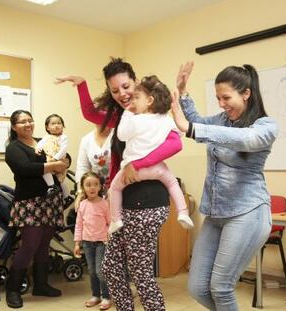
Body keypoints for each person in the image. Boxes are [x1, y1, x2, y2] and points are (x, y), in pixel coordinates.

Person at [56, 57, 182, 310]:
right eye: (115, 90)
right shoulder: (124, 116)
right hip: (125, 202)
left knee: (140, 273)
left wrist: (139, 164)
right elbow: (91, 113)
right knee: (111, 267)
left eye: (126, 87)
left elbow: (175, 143)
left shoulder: (153, 112)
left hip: (147, 201)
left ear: (135, 82)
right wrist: (81, 85)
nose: (122, 94)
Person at [171, 61, 278, 310]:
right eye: (218, 98)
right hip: (216, 214)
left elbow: (245, 139)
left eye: (226, 97)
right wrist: (184, 93)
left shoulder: (265, 126)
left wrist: (191, 129)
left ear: (246, 93)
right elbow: (197, 123)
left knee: (221, 287)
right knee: (197, 288)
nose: (221, 104)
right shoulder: (221, 120)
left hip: (248, 213)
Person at [108, 75, 194, 234]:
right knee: (173, 183)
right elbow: (178, 136)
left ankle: (116, 219)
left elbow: (121, 135)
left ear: (149, 101)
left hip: (134, 170)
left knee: (114, 188)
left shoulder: (135, 120)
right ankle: (183, 212)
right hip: (157, 169)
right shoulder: (165, 119)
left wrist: (127, 113)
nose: (132, 101)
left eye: (136, 98)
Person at [5, 110, 68, 308]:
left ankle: (41, 284)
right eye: (22, 122)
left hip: (50, 201)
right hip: (29, 203)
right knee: (30, 245)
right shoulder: (13, 148)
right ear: (14, 126)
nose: (28, 124)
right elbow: (25, 168)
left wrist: (62, 163)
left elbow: (67, 158)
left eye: (30, 120)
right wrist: (55, 165)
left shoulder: (44, 140)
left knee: (44, 244)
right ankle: (13, 289)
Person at [74, 171, 111, 310]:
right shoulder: (82, 205)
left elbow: (110, 223)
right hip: (87, 243)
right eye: (88, 185)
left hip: (102, 242)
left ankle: (106, 296)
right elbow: (79, 225)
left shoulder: (104, 204)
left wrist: (108, 239)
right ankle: (96, 295)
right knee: (91, 270)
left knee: (100, 271)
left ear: (101, 186)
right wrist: (77, 244)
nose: (92, 188)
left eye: (95, 184)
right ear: (83, 188)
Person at [74, 124, 113, 210]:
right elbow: (82, 167)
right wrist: (81, 192)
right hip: (96, 189)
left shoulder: (118, 136)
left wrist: (115, 189)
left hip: (118, 187)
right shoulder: (86, 140)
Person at [36, 114, 70, 200]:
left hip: (59, 159)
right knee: (45, 171)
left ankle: (67, 196)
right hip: (49, 159)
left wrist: (56, 158)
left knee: (60, 179)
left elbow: (64, 149)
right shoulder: (46, 137)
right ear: (47, 127)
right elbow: (40, 143)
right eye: (53, 123)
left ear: (63, 126)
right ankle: (51, 186)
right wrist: (38, 148)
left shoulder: (63, 137)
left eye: (59, 123)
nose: (56, 125)